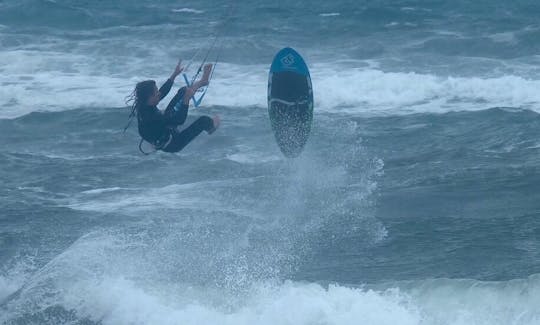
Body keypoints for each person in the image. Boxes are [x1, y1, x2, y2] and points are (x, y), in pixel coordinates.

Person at [130, 61, 220, 153]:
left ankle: (202, 82)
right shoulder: (151, 117)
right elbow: (180, 120)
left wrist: (174, 75)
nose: (159, 93)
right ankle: (211, 128)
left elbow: (163, 92)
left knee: (183, 91)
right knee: (204, 121)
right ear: (149, 97)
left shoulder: (144, 103)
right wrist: (186, 100)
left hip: (162, 130)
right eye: (156, 92)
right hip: (172, 145)